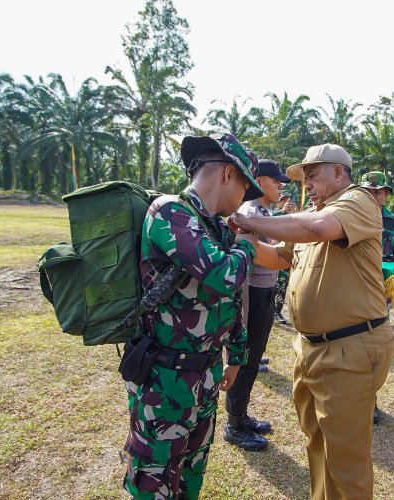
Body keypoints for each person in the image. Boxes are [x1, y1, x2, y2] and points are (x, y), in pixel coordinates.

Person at [230, 144, 394, 499]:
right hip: (312, 349)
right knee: (318, 444)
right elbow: (277, 257)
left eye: (313, 175)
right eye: (304, 179)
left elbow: (318, 228)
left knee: (345, 461)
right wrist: (241, 238)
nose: (308, 185)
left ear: (338, 172)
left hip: (349, 348)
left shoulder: (358, 201)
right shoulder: (312, 216)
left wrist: (249, 219)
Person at [123, 133, 263, 499]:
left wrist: (236, 354)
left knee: (191, 475)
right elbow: (224, 276)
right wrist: (248, 242)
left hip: (205, 376)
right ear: (230, 174)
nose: (243, 204)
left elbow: (229, 301)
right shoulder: (170, 211)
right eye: (246, 190)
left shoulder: (213, 225)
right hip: (164, 379)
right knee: (154, 480)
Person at [223, 159, 289, 452]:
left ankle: (240, 415)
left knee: (252, 360)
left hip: (264, 294)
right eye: (276, 181)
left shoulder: (262, 212)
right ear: (260, 180)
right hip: (252, 297)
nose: (280, 186)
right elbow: (247, 263)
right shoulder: (250, 213)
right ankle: (233, 425)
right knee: (245, 360)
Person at [361, 171, 394, 425]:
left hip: (379, 296)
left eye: (377, 191)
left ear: (386, 194)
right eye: (367, 191)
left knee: (371, 350)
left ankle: (370, 401)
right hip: (347, 292)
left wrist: (386, 271)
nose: (372, 195)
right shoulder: (350, 218)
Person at [273, 191, 297, 325]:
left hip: (286, 256)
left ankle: (277, 311)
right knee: (272, 285)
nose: (287, 203)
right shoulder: (273, 214)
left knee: (283, 283)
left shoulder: (294, 216)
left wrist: (292, 214)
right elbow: (272, 222)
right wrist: (283, 212)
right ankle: (270, 309)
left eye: (288, 200)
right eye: (284, 200)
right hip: (273, 254)